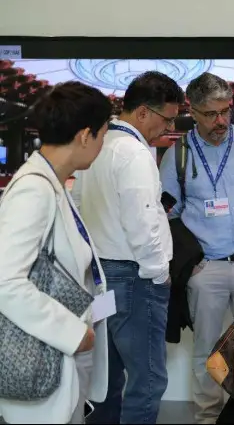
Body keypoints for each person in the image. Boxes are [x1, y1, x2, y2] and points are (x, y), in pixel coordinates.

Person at [158, 72, 234, 424]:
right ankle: (207, 418)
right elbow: (164, 213)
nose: (221, 121)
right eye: (211, 114)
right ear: (193, 112)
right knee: (208, 351)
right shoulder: (178, 155)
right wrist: (190, 265)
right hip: (207, 270)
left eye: (226, 111)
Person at [71, 71, 185, 425]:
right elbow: (144, 223)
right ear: (142, 114)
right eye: (167, 119)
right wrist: (158, 274)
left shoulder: (96, 146)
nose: (168, 129)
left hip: (101, 275)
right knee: (147, 381)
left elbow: (78, 208)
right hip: (135, 277)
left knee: (107, 379)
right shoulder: (134, 153)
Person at [0, 81, 112, 424]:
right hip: (41, 357)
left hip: (62, 354)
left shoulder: (53, 182)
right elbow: (5, 281)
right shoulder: (34, 190)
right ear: (84, 135)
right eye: (102, 135)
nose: (102, 145)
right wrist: (72, 333)